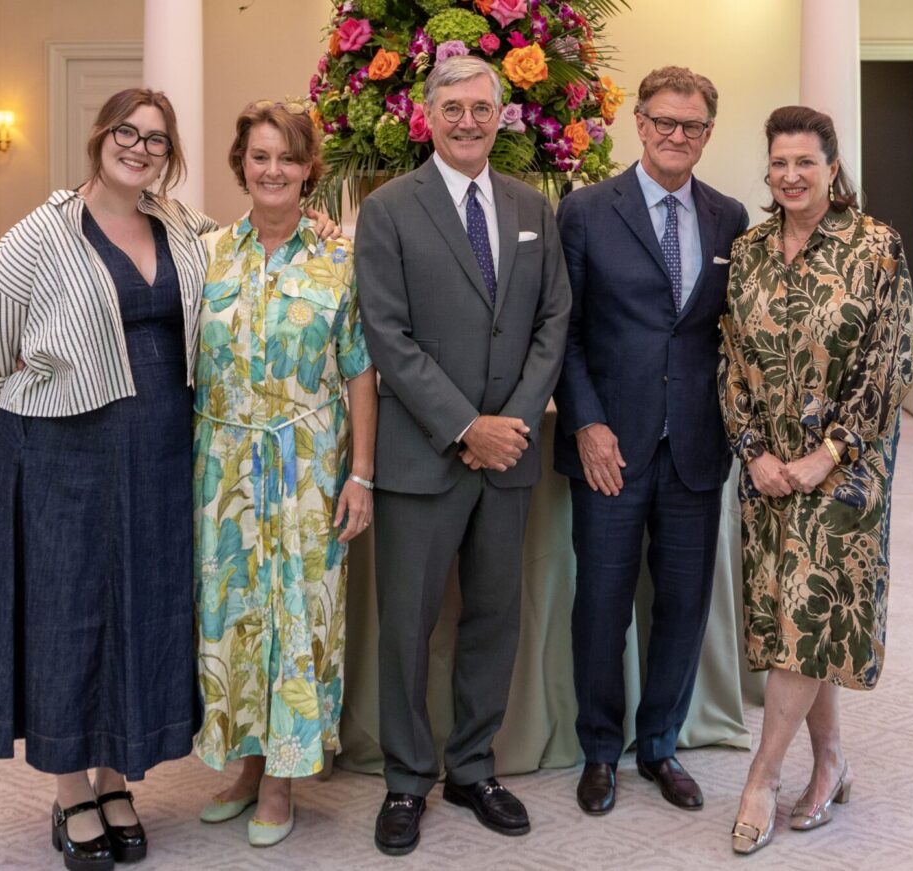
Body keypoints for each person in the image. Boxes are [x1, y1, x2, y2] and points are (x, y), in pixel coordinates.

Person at [0, 88, 216, 870]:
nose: (139, 148)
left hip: (162, 453)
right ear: (100, 135)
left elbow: (241, 255)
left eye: (156, 140)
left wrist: (305, 220)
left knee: (144, 605)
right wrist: (42, 390)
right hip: (63, 453)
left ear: (169, 156)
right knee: (67, 612)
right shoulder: (39, 233)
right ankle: (72, 787)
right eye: (127, 133)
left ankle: (117, 777)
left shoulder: (178, 222)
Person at [355, 56, 571, 856]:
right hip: (424, 456)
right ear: (428, 115)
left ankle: (473, 767)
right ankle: (407, 779)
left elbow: (554, 319)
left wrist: (509, 421)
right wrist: (464, 425)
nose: (469, 121)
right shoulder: (387, 210)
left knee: (491, 617)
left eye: (482, 108)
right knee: (407, 624)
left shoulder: (530, 207)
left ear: (501, 116)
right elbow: (388, 334)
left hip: (508, 453)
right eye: (454, 108)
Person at [720, 105, 913, 855]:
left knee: (810, 605)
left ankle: (762, 776)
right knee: (798, 623)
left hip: (845, 476)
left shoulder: (876, 248)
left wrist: (826, 454)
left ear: (833, 168)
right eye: (779, 163)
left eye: (806, 161)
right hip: (768, 471)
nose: (791, 175)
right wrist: (753, 450)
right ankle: (831, 759)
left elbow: (888, 363)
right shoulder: (749, 250)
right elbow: (730, 358)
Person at [553, 66, 749, 818]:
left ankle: (660, 744)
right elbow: (563, 333)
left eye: (692, 125)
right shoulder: (586, 211)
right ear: (638, 123)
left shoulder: (730, 218)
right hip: (610, 445)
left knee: (684, 604)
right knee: (601, 604)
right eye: (664, 122)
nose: (677, 135)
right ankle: (600, 750)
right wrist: (588, 422)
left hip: (696, 448)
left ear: (707, 132)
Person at [192, 101, 377, 848]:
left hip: (306, 470)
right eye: (259, 156)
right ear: (242, 163)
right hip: (222, 467)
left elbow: (360, 370)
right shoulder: (206, 254)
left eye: (287, 158)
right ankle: (242, 763)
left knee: (299, 619)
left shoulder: (340, 257)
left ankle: (282, 778)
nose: (272, 170)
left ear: (309, 170)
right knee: (232, 617)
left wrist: (360, 472)